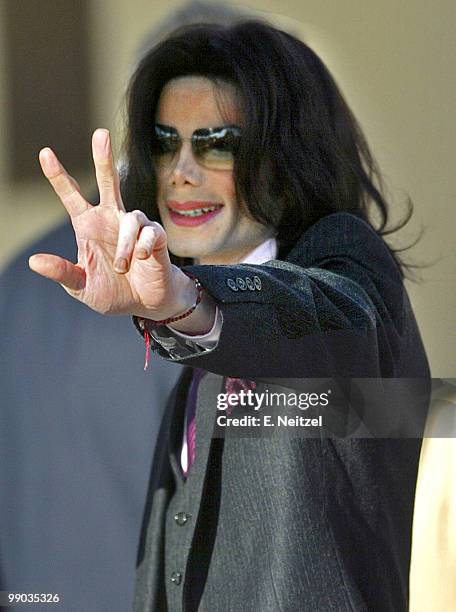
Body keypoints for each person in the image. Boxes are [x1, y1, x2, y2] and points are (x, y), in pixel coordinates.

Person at [29, 19, 430, 612]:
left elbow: (327, 318)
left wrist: (183, 301)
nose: (180, 171)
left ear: (284, 154)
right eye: (166, 142)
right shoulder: (190, 341)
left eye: (217, 142)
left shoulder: (345, 260)